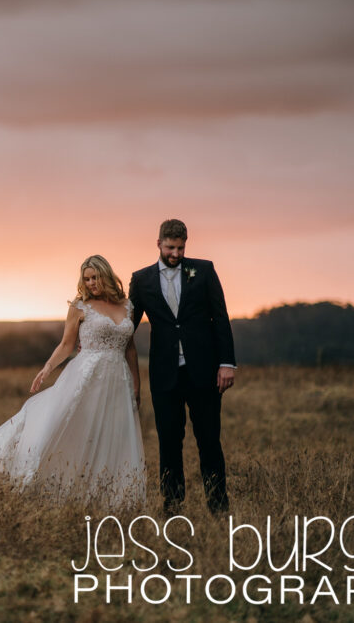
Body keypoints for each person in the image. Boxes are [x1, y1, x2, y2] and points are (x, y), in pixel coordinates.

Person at [0, 255, 146, 509]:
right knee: (65, 428)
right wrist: (47, 368)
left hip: (118, 381)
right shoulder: (80, 306)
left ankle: (109, 500)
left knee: (111, 434)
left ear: (106, 275)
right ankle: (45, 487)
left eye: (95, 277)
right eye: (87, 279)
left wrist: (136, 387)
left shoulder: (127, 306)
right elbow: (66, 344)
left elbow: (130, 349)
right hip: (86, 378)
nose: (92, 283)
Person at [128, 219, 236, 517]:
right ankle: (173, 509)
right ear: (159, 244)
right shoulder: (142, 279)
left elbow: (221, 317)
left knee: (209, 441)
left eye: (181, 247)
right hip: (164, 375)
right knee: (169, 443)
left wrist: (227, 363)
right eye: (170, 247)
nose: (176, 253)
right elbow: (128, 326)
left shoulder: (203, 270)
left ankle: (219, 507)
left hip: (203, 370)